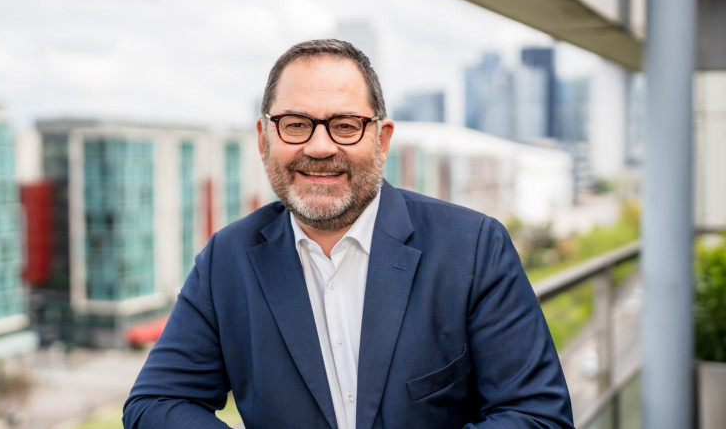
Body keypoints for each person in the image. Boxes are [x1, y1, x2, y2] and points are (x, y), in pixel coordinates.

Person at [123, 39, 573, 429]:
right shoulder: (226, 259)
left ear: (382, 139)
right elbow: (154, 404)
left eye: (345, 126)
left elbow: (538, 416)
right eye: (295, 124)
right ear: (263, 139)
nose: (320, 147)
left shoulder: (472, 248)